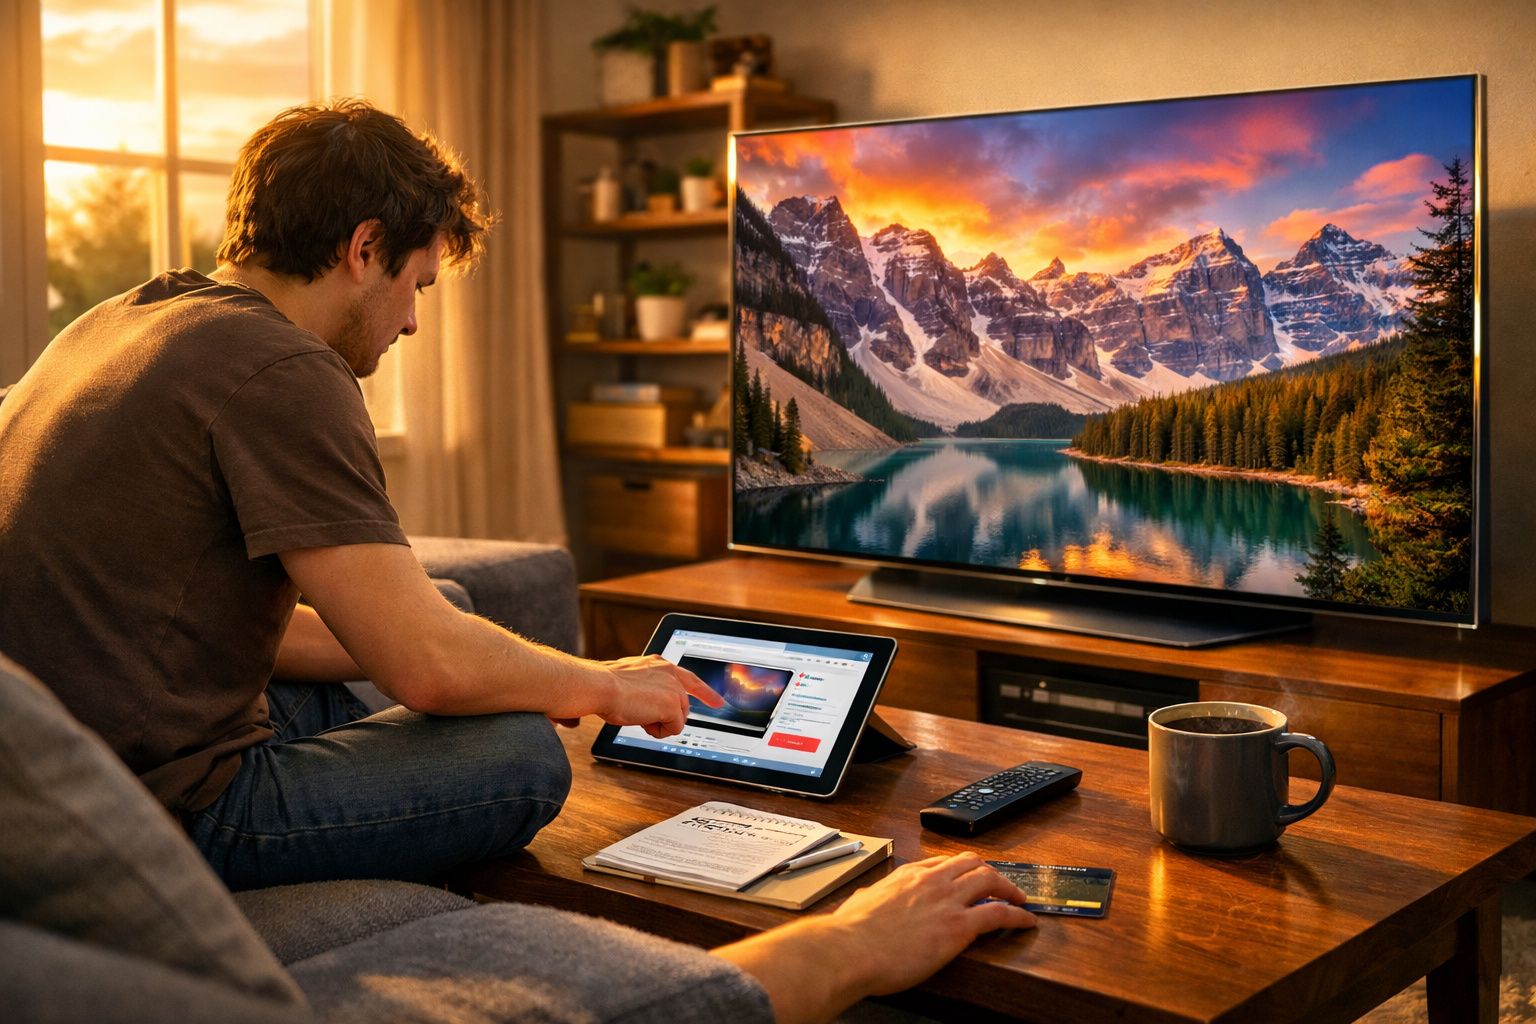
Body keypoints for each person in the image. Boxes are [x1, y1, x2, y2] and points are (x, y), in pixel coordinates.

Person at [0, 99, 1037, 1016]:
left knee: (438, 613)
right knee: (524, 751)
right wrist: (603, 684)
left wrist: (490, 666)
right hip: (179, 808)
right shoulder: (285, 367)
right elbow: (429, 670)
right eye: (416, 281)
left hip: (89, 755)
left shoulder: (124, 319)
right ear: (363, 247)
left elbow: (231, 620)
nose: (411, 317)